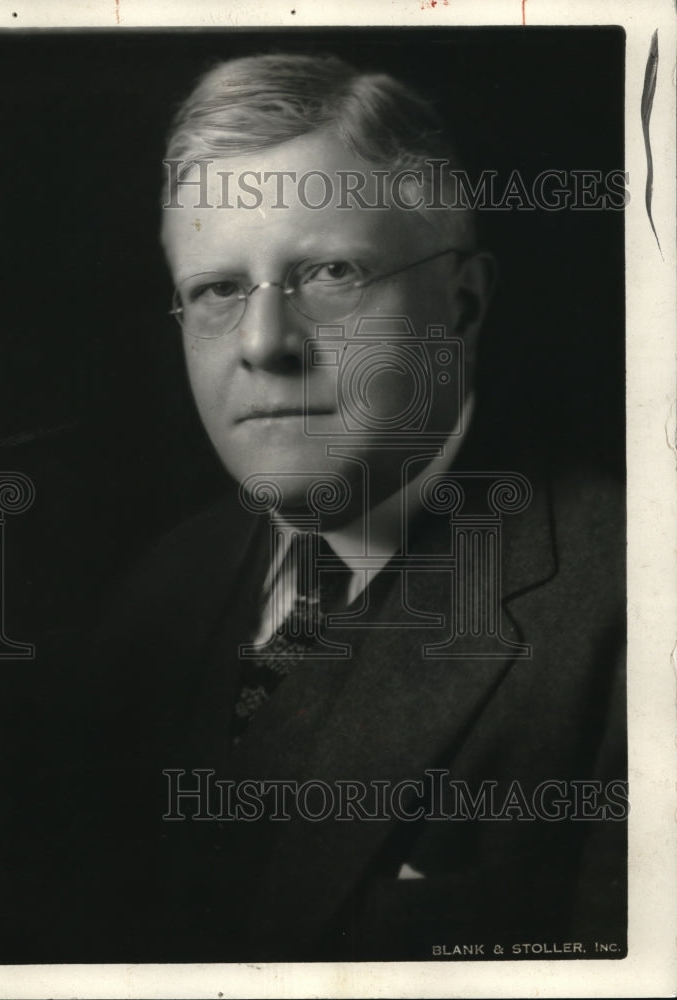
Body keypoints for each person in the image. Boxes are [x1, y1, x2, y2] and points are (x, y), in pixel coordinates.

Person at [77, 52, 626, 963]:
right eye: (217, 290)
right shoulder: (156, 595)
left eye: (330, 274)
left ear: (461, 303)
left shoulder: (633, 612)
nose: (262, 343)